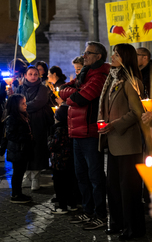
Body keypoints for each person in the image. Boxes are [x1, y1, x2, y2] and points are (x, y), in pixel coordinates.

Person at [98, 43, 146, 240]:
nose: (113, 57)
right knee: (114, 187)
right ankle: (116, 222)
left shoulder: (131, 82)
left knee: (129, 189)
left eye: (117, 54)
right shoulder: (111, 79)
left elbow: (137, 112)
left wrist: (115, 124)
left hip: (127, 143)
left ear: (125, 58)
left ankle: (132, 227)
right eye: (113, 53)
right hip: (112, 141)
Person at [59, 41, 109, 230]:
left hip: (89, 132)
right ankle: (88, 211)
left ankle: (100, 214)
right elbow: (63, 88)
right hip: (76, 132)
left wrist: (71, 96)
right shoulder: (84, 73)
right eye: (85, 52)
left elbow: (81, 98)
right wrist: (73, 93)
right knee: (81, 175)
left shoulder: (100, 75)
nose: (85, 55)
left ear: (98, 57)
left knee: (95, 176)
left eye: (89, 53)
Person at [17, 66, 54, 191]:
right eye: (30, 74)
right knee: (25, 149)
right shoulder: (20, 88)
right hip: (24, 121)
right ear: (26, 75)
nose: (33, 76)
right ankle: (27, 176)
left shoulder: (43, 88)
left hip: (38, 121)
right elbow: (16, 103)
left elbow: (39, 102)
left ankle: (36, 178)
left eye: (35, 74)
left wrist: (23, 105)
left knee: (37, 150)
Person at [48, 104, 78, 214]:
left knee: (60, 185)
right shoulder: (70, 128)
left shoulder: (58, 130)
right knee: (70, 184)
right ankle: (72, 204)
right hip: (70, 161)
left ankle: (62, 206)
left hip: (59, 162)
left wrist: (49, 138)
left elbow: (52, 146)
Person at [4, 94, 34, 203]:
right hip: (17, 150)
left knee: (20, 173)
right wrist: (25, 136)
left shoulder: (22, 115)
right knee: (17, 173)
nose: (25, 105)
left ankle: (18, 193)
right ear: (15, 105)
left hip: (22, 150)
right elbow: (11, 135)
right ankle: (16, 195)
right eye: (23, 103)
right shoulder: (12, 118)